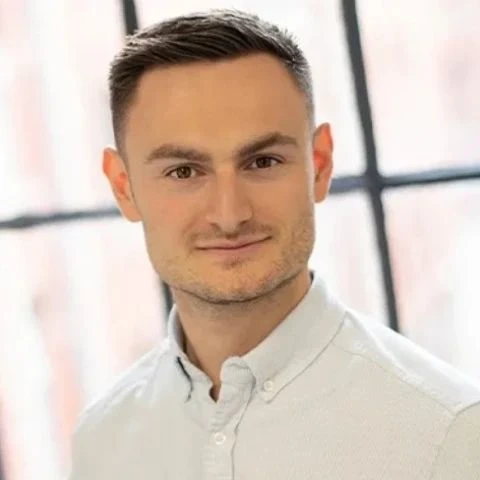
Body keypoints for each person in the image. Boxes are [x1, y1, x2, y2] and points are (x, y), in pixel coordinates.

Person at [67, 8, 480, 479]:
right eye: (184, 171)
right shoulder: (102, 442)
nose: (230, 214)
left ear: (319, 164)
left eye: (262, 162)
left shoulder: (449, 433)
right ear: (123, 186)